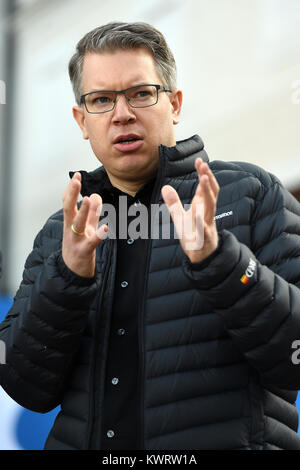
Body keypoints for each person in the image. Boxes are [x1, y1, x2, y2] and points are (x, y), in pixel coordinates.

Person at [1, 21, 300, 451]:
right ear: (81, 121)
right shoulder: (61, 232)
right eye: (101, 100)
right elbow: (25, 387)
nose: (122, 113)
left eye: (141, 93)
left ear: (174, 105)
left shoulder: (251, 196)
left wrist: (221, 263)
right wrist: (67, 279)